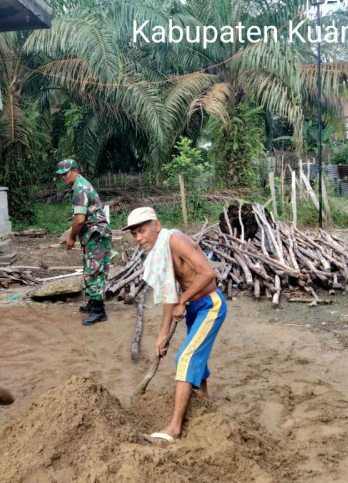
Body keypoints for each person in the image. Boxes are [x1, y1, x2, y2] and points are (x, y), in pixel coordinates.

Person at [122, 206, 226, 443]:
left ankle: (175, 428)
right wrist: (162, 335)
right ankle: (206, 402)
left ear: (156, 225)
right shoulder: (160, 252)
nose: (138, 238)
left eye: (142, 231)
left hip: (210, 305)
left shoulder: (175, 240)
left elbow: (207, 274)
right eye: (134, 234)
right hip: (194, 309)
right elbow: (169, 295)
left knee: (186, 357)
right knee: (196, 353)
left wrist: (184, 300)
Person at [56, 159, 112, 326]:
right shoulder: (81, 184)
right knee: (92, 268)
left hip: (96, 236)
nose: (63, 177)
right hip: (94, 235)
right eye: (61, 175)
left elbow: (80, 220)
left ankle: (99, 311)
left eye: (65, 174)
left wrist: (71, 237)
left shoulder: (80, 189)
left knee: (94, 271)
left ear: (74, 170)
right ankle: (94, 303)